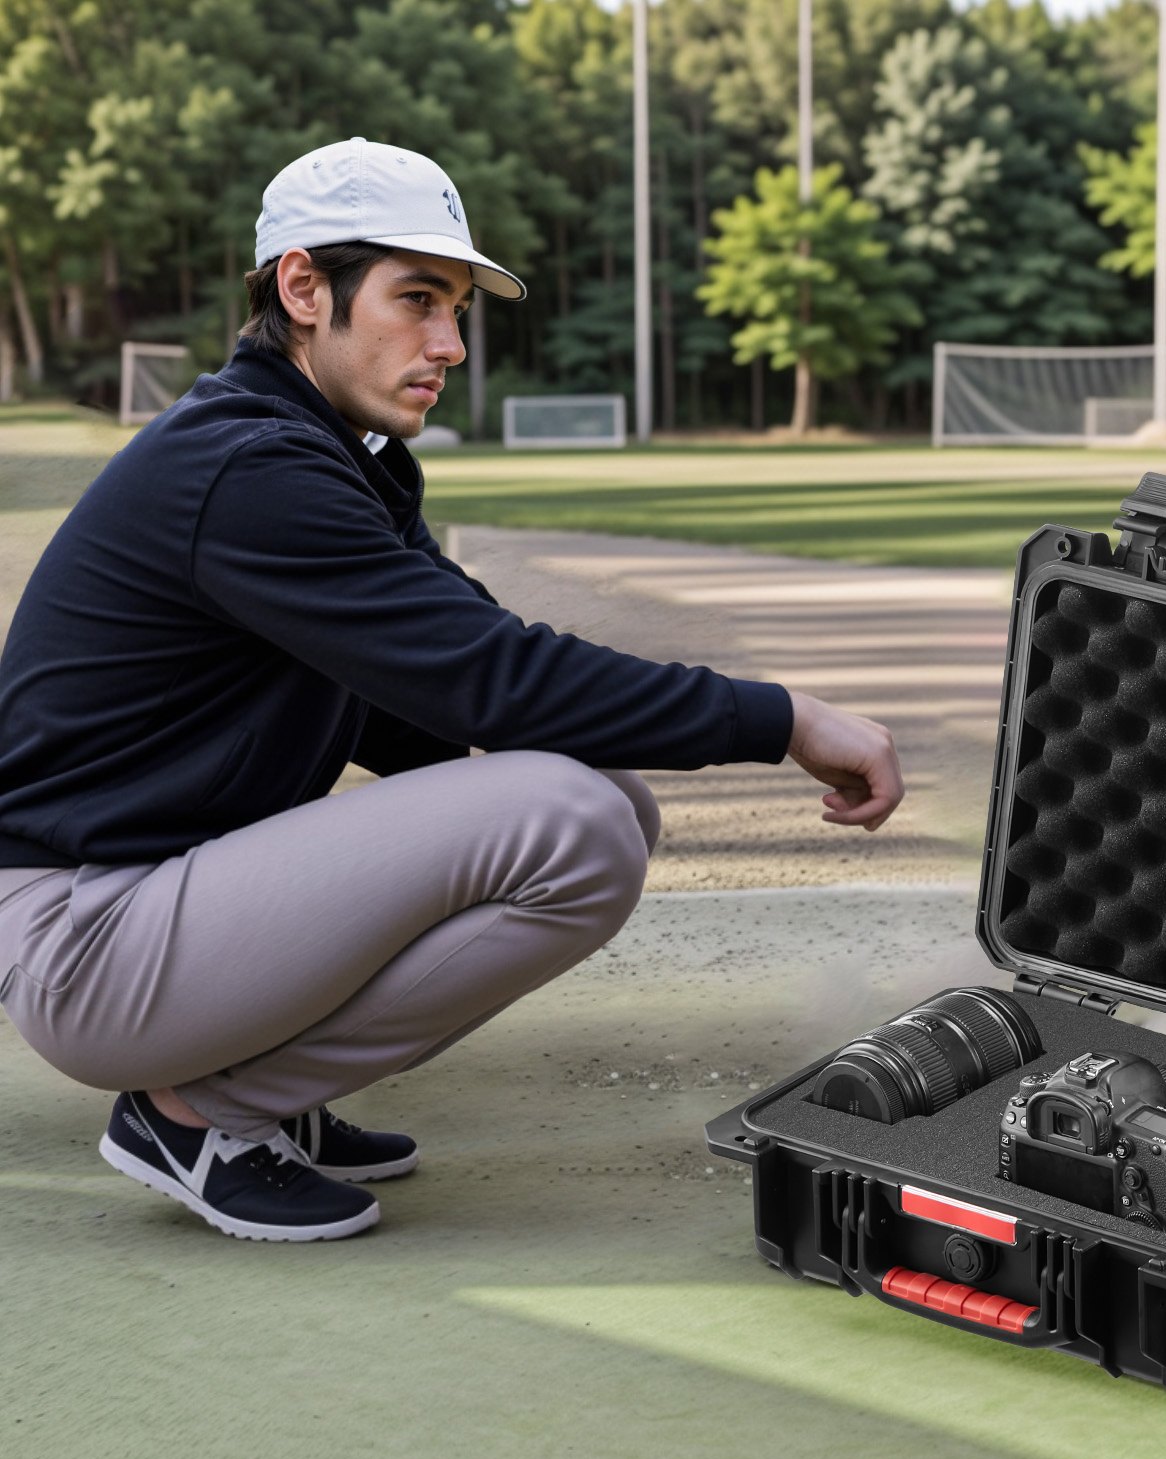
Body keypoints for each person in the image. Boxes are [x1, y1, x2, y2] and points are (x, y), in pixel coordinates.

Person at [0, 137, 902, 1244]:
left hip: (150, 907)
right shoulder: (251, 468)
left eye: (458, 310)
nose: (451, 345)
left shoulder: (335, 458)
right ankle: (199, 1112)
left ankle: (256, 1085)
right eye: (417, 300)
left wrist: (533, 729)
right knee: (572, 823)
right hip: (84, 938)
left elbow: (442, 704)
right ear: (303, 289)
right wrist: (786, 720)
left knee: (605, 799)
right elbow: (495, 682)